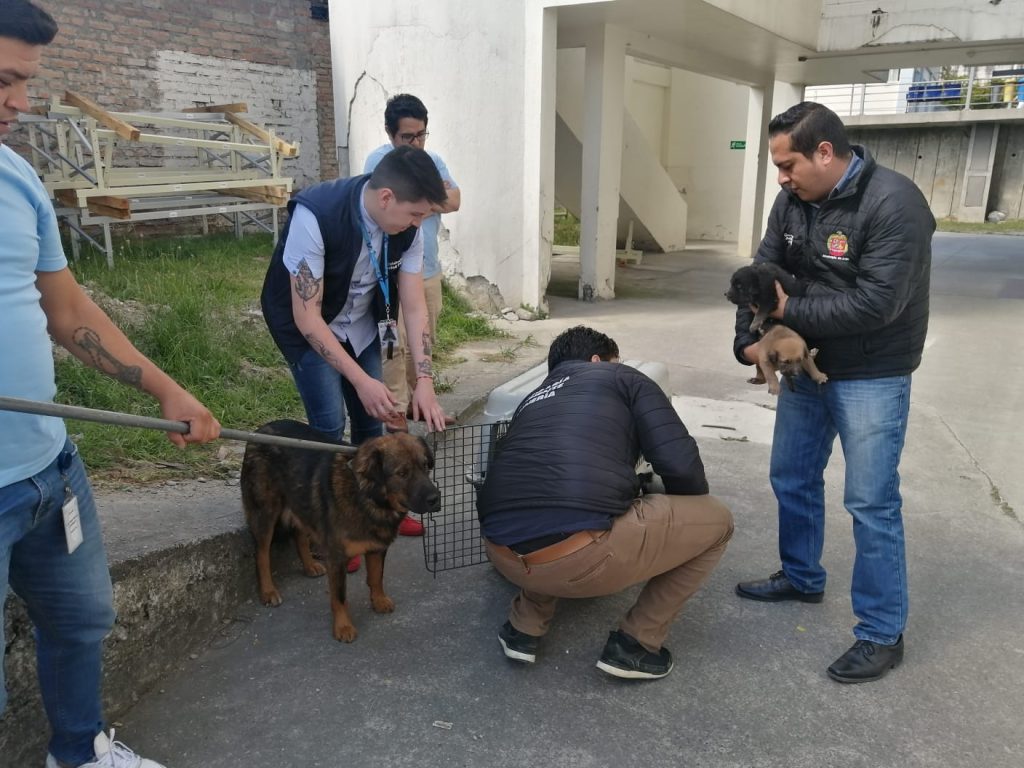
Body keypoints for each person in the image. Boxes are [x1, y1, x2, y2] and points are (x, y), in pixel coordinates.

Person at [0, 3, 222, 766]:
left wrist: (165, 389)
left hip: (47, 471)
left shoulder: (16, 176)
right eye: (3, 81)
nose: (20, 103)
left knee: (83, 622)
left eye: (24, 84)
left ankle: (79, 752)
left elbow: (67, 313)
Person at [731, 101, 934, 684]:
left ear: (825, 151)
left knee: (870, 502)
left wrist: (790, 310)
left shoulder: (895, 203)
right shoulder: (792, 202)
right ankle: (801, 576)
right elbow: (758, 275)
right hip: (804, 370)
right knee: (791, 476)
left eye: (788, 163)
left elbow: (878, 303)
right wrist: (748, 341)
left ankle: (880, 632)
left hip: (872, 372)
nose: (781, 177)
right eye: (776, 166)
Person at [477, 326, 733, 680]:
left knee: (545, 507)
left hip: (501, 554)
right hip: (581, 562)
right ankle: (636, 646)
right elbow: (679, 463)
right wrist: (679, 517)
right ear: (598, 360)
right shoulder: (622, 377)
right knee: (717, 522)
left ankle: (524, 628)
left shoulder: (532, 398)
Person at [260, 143, 449, 557]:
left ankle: (375, 512)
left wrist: (425, 380)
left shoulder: (408, 228)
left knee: (372, 424)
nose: (419, 224)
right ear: (386, 198)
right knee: (327, 425)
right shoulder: (315, 215)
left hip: (362, 323)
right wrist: (361, 379)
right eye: (415, 214)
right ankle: (327, 527)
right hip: (305, 326)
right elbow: (308, 318)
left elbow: (414, 306)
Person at [363, 93, 460, 438]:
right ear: (391, 134)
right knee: (392, 344)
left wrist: (419, 203)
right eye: (408, 137)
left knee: (422, 338)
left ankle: (420, 402)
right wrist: (433, 200)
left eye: (422, 135)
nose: (416, 143)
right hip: (387, 278)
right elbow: (439, 200)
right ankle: (395, 414)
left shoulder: (432, 159)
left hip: (426, 270)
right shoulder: (379, 162)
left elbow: (455, 199)